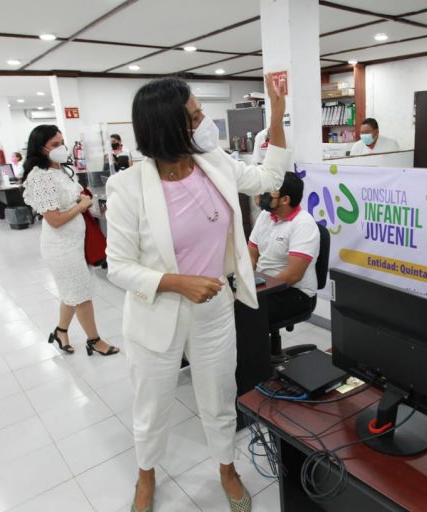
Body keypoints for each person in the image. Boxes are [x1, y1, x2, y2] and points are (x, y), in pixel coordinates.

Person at [105, 73, 288, 512]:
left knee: (219, 396)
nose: (205, 120)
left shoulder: (216, 163)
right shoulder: (128, 187)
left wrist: (278, 116)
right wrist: (175, 282)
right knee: (153, 405)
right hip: (158, 313)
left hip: (214, 312)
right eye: (195, 115)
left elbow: (269, 176)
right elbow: (118, 267)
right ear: (168, 127)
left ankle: (226, 468)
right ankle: (145, 476)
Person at [21, 125, 120, 358]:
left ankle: (60, 331)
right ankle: (94, 340)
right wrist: (81, 206)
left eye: (62, 142)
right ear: (41, 148)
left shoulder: (63, 171)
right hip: (61, 247)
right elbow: (54, 219)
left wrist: (82, 200)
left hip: (77, 242)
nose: (61, 148)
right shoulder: (39, 178)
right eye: (54, 145)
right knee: (82, 294)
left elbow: (73, 198)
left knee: (71, 292)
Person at [248, 172, 320, 325]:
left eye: (269, 194)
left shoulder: (303, 224)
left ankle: (257, 349)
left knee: (247, 315)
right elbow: (251, 255)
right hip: (264, 285)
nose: (262, 196)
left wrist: (260, 289)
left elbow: (293, 275)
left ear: (285, 200)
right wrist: (245, 282)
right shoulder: (265, 216)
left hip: (296, 292)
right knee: (231, 305)